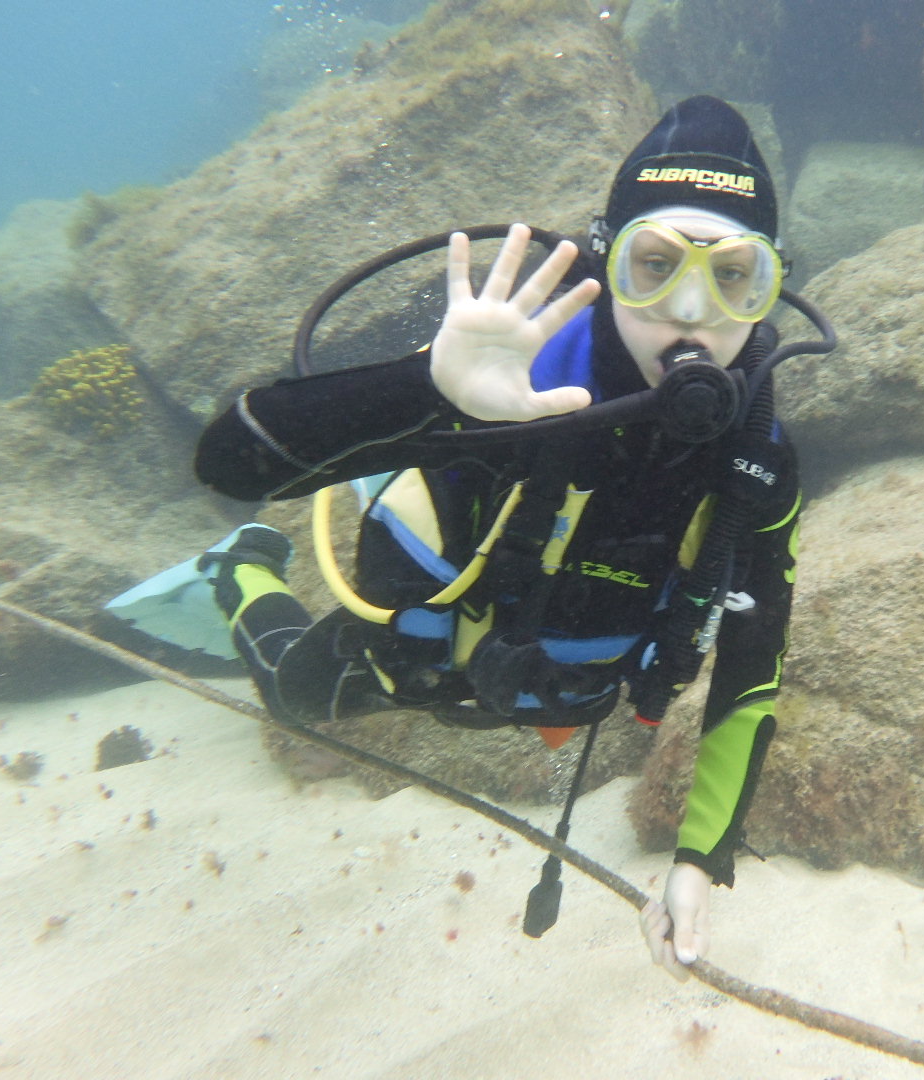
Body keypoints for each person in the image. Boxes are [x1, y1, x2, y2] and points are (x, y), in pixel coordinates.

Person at [193, 97, 804, 980]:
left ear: (771, 289)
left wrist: (701, 857)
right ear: (606, 262)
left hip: (572, 690)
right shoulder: (515, 378)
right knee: (293, 696)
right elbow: (226, 464)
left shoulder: (758, 461)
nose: (689, 313)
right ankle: (241, 568)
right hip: (423, 664)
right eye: (655, 265)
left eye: (735, 276)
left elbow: (754, 657)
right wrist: (430, 394)